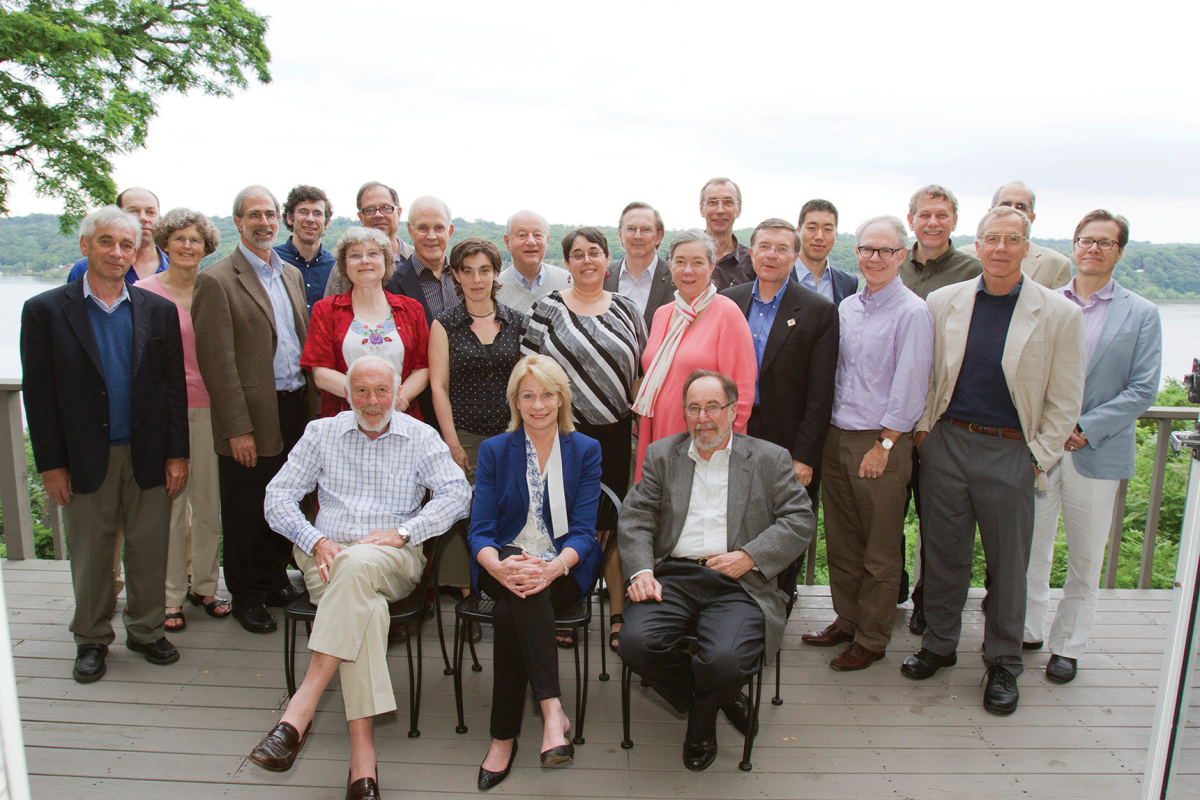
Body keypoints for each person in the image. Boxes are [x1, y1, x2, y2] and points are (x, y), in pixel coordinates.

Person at [252, 356, 470, 798]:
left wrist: (406, 532)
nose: (372, 401)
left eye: (382, 391)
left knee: (357, 567)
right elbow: (277, 498)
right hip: (326, 558)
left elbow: (458, 493)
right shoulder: (321, 433)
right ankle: (362, 761)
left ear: (397, 393)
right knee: (365, 608)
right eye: (362, 391)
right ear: (347, 394)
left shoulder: (419, 436)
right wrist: (315, 541)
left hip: (392, 557)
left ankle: (300, 709)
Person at [904, 206, 1085, 717]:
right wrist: (925, 435)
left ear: (1027, 247)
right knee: (943, 556)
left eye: (1012, 239)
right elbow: (928, 374)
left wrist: (1037, 457)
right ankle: (939, 644)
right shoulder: (944, 301)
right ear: (977, 245)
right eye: (992, 239)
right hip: (947, 444)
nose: (1001, 248)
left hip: (1011, 452)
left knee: (1008, 566)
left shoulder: (1059, 314)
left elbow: (1065, 399)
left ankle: (1003, 662)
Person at [22, 206, 188, 682]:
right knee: (91, 554)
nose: (117, 253)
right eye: (106, 242)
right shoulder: (45, 311)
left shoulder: (158, 310)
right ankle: (91, 638)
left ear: (136, 252)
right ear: (85, 246)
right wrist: (51, 465)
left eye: (126, 245)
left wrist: (177, 453)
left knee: (149, 548)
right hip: (84, 455)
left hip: (147, 451)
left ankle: (146, 630)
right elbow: (39, 395)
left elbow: (172, 389)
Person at [618, 370, 813, 771]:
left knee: (724, 661)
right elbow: (636, 518)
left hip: (740, 581)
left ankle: (701, 727)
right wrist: (641, 572)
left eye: (712, 407)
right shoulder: (662, 455)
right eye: (693, 408)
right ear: (684, 413)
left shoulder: (769, 458)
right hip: (674, 575)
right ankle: (717, 698)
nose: (702, 417)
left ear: (733, 410)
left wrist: (750, 556)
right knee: (634, 644)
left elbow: (800, 520)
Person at [1024, 210, 1161, 684]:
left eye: (1105, 242)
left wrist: (1083, 426)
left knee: (1084, 558)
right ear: (1074, 245)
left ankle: (1068, 646)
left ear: (1119, 251)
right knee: (1031, 549)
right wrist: (1049, 427)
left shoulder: (1141, 313)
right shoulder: (1042, 302)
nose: (1093, 249)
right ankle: (1027, 630)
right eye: (1086, 240)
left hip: (1096, 451)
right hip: (1041, 447)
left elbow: (1143, 388)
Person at [801, 216, 934, 671]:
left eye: (885, 250)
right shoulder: (846, 308)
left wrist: (886, 445)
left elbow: (910, 386)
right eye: (867, 249)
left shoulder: (913, 312)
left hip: (879, 442)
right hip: (836, 437)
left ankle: (872, 637)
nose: (875, 258)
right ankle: (847, 619)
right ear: (855, 253)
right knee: (841, 543)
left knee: (880, 548)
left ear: (901, 255)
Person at [469, 355, 602, 790]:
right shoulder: (494, 450)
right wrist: (498, 566)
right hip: (504, 561)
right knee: (522, 591)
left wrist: (553, 568)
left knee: (512, 612)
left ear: (562, 398)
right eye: (528, 396)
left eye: (547, 394)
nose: (538, 405)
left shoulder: (584, 449)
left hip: (564, 565)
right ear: (516, 401)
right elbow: (480, 530)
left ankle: (502, 739)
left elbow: (583, 532)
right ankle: (552, 713)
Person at [192, 185, 314, 635]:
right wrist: (237, 429)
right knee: (247, 507)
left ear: (280, 220)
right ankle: (246, 595)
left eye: (270, 214)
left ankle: (274, 579)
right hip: (251, 415)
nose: (264, 222)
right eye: (254, 215)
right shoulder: (216, 280)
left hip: (295, 408)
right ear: (238, 222)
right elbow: (217, 365)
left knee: (286, 500)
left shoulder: (290, 274)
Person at [522, 226, 647, 648]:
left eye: (595, 252)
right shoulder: (547, 308)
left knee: (611, 527)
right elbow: (529, 373)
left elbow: (640, 376)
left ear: (607, 259)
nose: (587, 260)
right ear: (567, 263)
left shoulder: (628, 309)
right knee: (564, 523)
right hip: (563, 435)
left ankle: (617, 612)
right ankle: (564, 605)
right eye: (578, 254)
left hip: (616, 435)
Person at [429, 237, 529, 640]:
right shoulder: (444, 324)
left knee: (510, 513)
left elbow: (527, 383)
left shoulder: (517, 321)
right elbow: (438, 386)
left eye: (484, 270)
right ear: (455, 275)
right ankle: (470, 596)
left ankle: (508, 589)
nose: (476, 279)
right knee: (465, 516)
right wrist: (452, 443)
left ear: (495, 273)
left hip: (510, 436)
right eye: (467, 271)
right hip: (465, 437)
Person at [135, 209, 229, 632]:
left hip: (211, 409)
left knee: (208, 506)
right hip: (164, 412)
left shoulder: (216, 288)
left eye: (195, 240)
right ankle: (170, 594)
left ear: (206, 247)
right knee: (172, 507)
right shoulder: (144, 292)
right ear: (164, 243)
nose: (187, 246)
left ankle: (205, 586)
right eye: (178, 238)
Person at [899, 184, 983, 633]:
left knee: (940, 523)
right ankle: (890, 591)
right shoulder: (893, 264)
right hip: (895, 418)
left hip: (944, 418)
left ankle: (930, 602)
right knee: (890, 515)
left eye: (942, 215)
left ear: (954, 221)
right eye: (925, 214)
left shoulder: (974, 272)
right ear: (911, 219)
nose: (933, 222)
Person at [721, 218, 839, 508]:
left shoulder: (819, 311)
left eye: (782, 248)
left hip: (787, 443)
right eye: (764, 247)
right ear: (752, 253)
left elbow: (821, 394)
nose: (771, 255)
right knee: (732, 517)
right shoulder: (727, 302)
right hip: (733, 432)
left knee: (784, 522)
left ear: (795, 257)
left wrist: (805, 457)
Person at [633, 229, 756, 483]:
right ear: (670, 266)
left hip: (705, 441)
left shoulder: (727, 314)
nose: (688, 270)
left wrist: (723, 449)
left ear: (711, 267)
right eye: (680, 261)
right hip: (656, 433)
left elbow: (741, 394)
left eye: (697, 262)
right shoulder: (663, 314)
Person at [301, 227, 430, 421]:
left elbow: (423, 368)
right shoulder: (326, 311)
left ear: (386, 261)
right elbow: (320, 373)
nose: (364, 260)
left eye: (373, 253)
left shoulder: (412, 310)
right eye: (355, 255)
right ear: (344, 265)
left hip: (400, 416)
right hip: (345, 418)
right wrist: (368, 398)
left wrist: (394, 400)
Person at [958, 182, 1073, 290]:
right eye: (1005, 205)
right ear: (990, 212)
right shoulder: (962, 259)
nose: (1012, 210)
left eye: (1021, 207)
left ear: (1032, 218)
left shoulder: (1056, 265)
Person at [324, 181, 415, 297]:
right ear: (361, 217)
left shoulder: (416, 260)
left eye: (386, 208)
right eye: (369, 210)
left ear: (399, 213)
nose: (378, 215)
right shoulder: (345, 266)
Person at [65, 187, 169, 285]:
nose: (143, 218)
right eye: (133, 211)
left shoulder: (174, 268)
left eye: (150, 212)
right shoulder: (85, 269)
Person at [604, 201, 675, 331]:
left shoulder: (676, 278)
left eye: (646, 229)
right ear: (620, 235)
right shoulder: (603, 277)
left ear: (659, 236)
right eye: (631, 229)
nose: (638, 236)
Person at [274, 185, 336, 315]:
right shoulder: (272, 261)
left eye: (317, 213)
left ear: (327, 223)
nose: (310, 219)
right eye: (303, 212)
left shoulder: (336, 268)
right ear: (289, 218)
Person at [495, 209, 571, 313]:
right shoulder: (493, 289)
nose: (531, 242)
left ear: (546, 240)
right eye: (522, 235)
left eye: (537, 235)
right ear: (507, 242)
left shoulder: (569, 282)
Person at [793, 199, 859, 304]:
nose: (819, 236)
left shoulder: (848, 283)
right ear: (798, 232)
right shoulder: (779, 276)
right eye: (812, 228)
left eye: (827, 229)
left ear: (835, 234)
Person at [700, 178, 755, 291]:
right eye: (712, 202)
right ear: (702, 209)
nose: (720, 210)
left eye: (728, 202)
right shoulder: (681, 257)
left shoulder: (752, 263)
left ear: (739, 209)